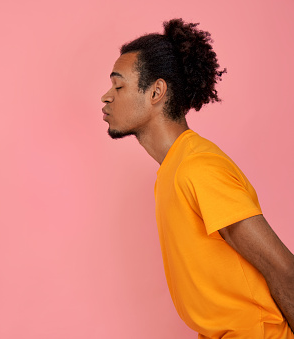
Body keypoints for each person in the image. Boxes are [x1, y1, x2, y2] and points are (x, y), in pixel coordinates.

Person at [101, 18, 294, 338]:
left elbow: (283, 270)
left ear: (156, 92)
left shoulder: (198, 167)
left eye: (118, 86)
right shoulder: (172, 170)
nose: (106, 97)